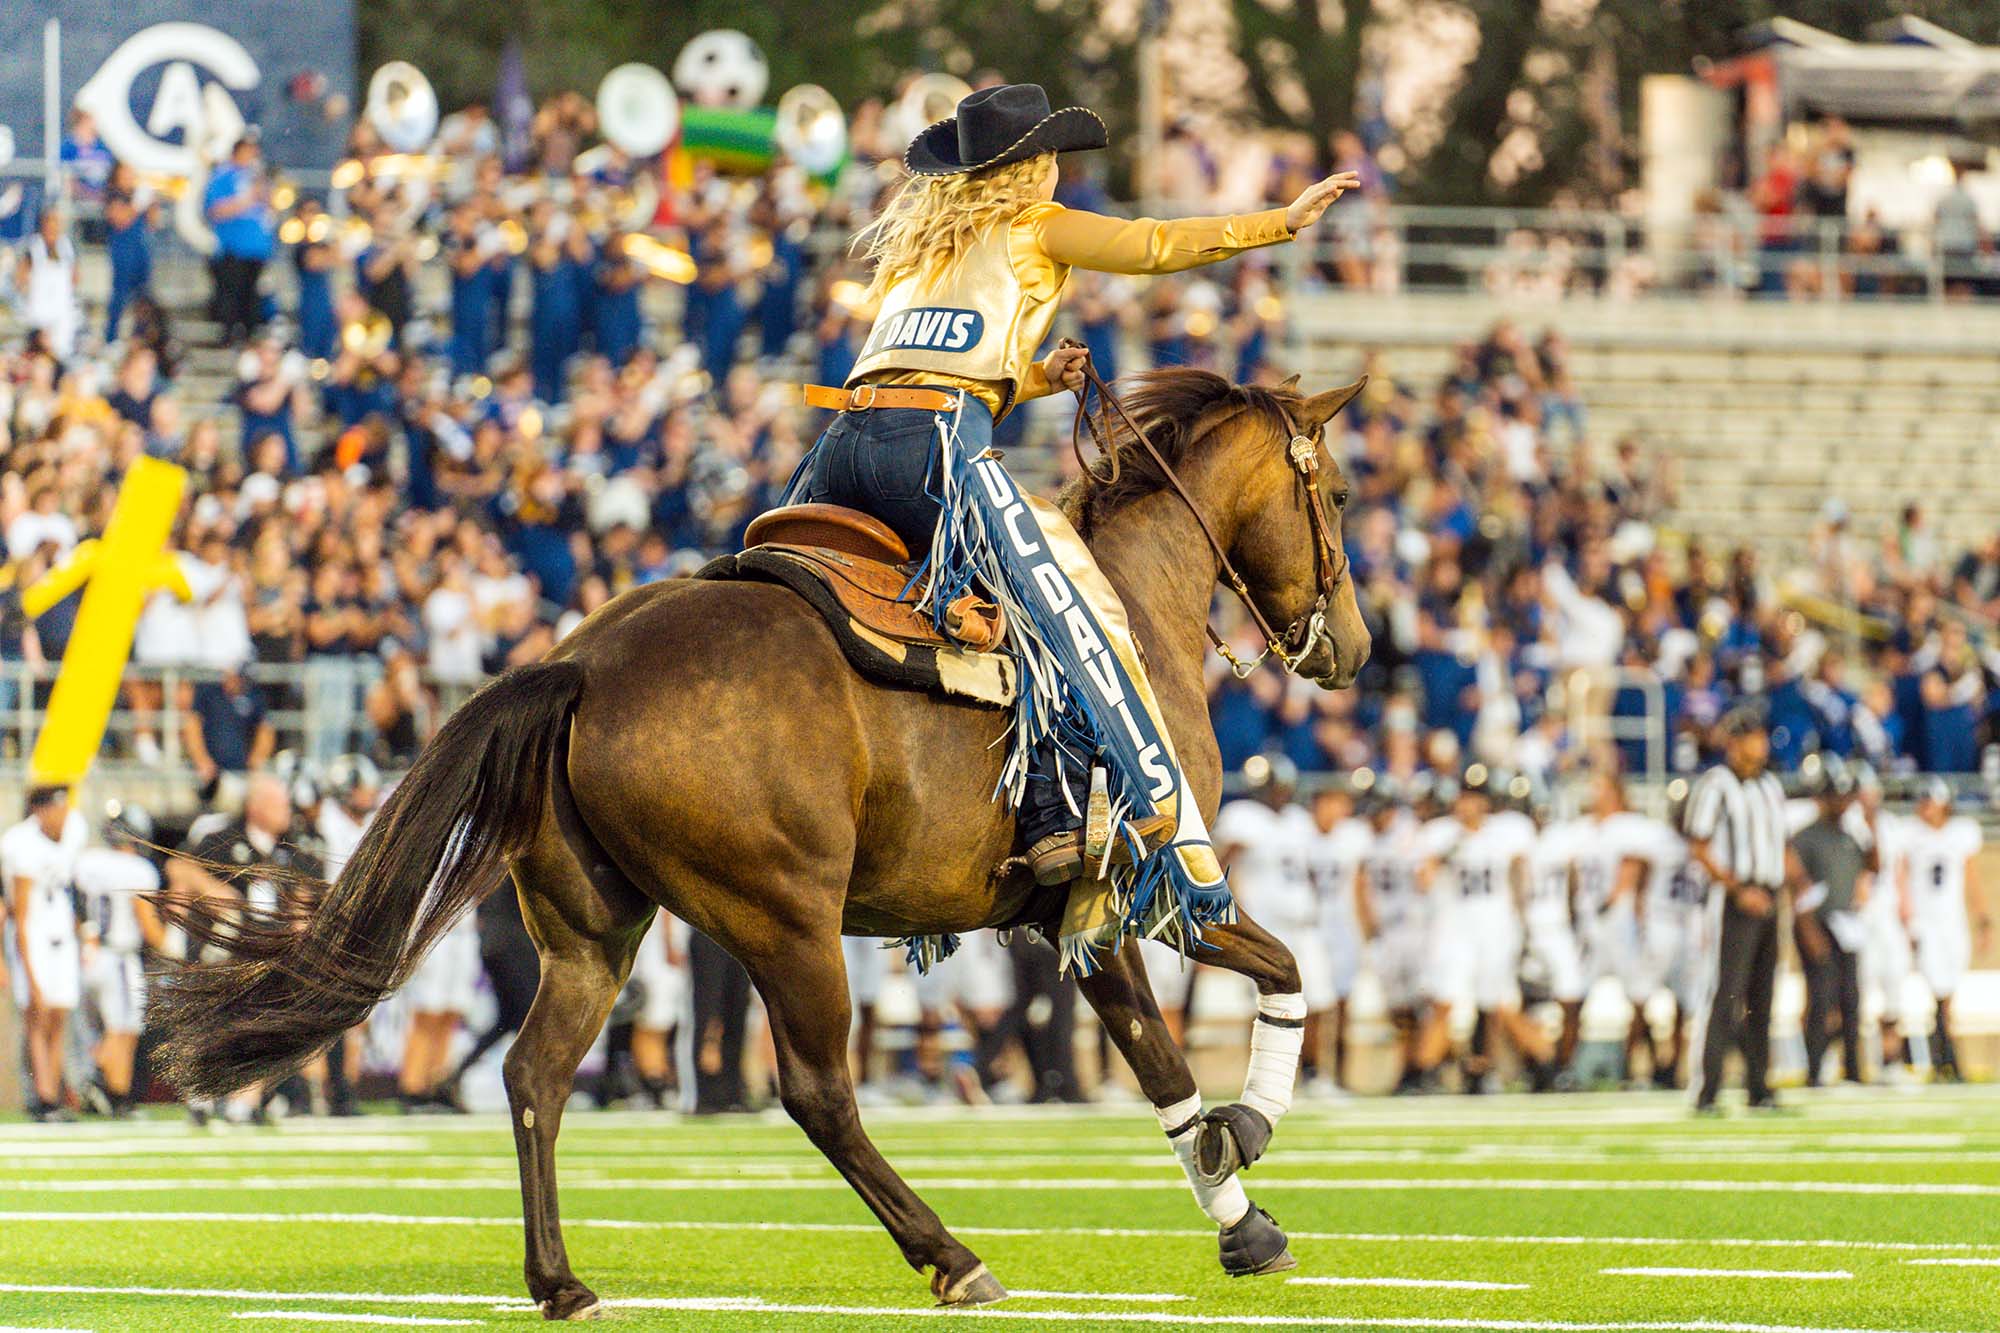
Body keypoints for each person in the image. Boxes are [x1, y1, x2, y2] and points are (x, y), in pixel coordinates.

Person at [787, 82, 1360, 970]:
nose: (1057, 169)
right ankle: (1056, 815)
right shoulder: (1034, 224)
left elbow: (942, 369)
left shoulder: (920, 252)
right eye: (1050, 155)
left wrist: (1043, 378)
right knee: (1071, 612)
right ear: (1029, 166)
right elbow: (1155, 245)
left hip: (842, 447)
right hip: (938, 448)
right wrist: (1281, 221)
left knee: (783, 577)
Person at [1416, 768, 1553, 1093]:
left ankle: (1547, 1065)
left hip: (1496, 930)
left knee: (1500, 1004)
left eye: (1477, 798)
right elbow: (1423, 880)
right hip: (1456, 931)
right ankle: (1423, 1071)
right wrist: (1448, 850)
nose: (1470, 805)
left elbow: (1522, 873)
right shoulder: (1441, 834)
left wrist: (1524, 925)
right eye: (1465, 797)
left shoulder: (1507, 831)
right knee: (1445, 1001)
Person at [1684, 705, 1790, 1114]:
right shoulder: (1717, 784)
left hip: (1769, 895)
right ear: (1733, 742)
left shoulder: (1770, 786)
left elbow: (1778, 843)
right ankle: (1707, 1088)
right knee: (1726, 993)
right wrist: (1737, 888)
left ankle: (1758, 1086)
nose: (1758, 744)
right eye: (1750, 736)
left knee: (1763, 997)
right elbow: (1698, 845)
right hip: (1734, 900)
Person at [1786, 759, 1872, 1088]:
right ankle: (1814, 1070)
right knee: (1820, 997)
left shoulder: (1852, 835)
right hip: (1817, 924)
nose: (1842, 802)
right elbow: (1798, 890)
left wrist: (1870, 819)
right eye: (1836, 795)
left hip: (1846, 925)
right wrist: (1808, 931)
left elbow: (1874, 863)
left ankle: (1851, 1068)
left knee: (1851, 997)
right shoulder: (1806, 837)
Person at [76, 803, 163, 1117]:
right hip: (119, 957)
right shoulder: (138, 870)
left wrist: (87, 939)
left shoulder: (89, 861)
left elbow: (76, 904)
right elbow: (149, 926)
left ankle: (117, 1097)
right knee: (123, 1028)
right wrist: (172, 945)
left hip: (90, 953)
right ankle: (96, 1081)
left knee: (114, 1027)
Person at [3, 785, 85, 1120]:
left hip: (61, 933)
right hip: (34, 935)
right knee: (38, 1015)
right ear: (39, 810)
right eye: (56, 809)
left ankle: (52, 1094)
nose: (62, 816)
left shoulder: (74, 829)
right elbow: (20, 915)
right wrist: (28, 968)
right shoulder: (21, 844)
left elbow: (70, 889)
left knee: (59, 1016)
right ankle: (44, 1096)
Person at [1899, 778, 1987, 1082]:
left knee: (1949, 990)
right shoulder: (1911, 835)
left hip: (1953, 922)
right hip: (1926, 923)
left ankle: (1945, 1055)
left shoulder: (1960, 833)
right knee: (1935, 990)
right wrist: (1906, 917)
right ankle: (1944, 1056)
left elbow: (1971, 876)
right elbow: (1902, 875)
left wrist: (1982, 917)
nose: (1925, 807)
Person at [1305, 784, 1370, 1093]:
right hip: (1311, 927)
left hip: (1342, 928)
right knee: (1313, 1003)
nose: (1333, 812)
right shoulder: (1299, 836)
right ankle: (1312, 1071)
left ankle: (1341, 1075)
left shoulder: (1353, 838)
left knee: (1343, 1004)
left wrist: (1366, 931)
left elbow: (1359, 886)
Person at [204, 137, 276, 343]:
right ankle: (229, 334)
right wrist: (246, 199)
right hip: (233, 247)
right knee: (231, 295)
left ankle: (250, 335)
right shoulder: (223, 176)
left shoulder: (259, 178)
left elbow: (271, 209)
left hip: (258, 248)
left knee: (252, 295)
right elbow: (215, 210)